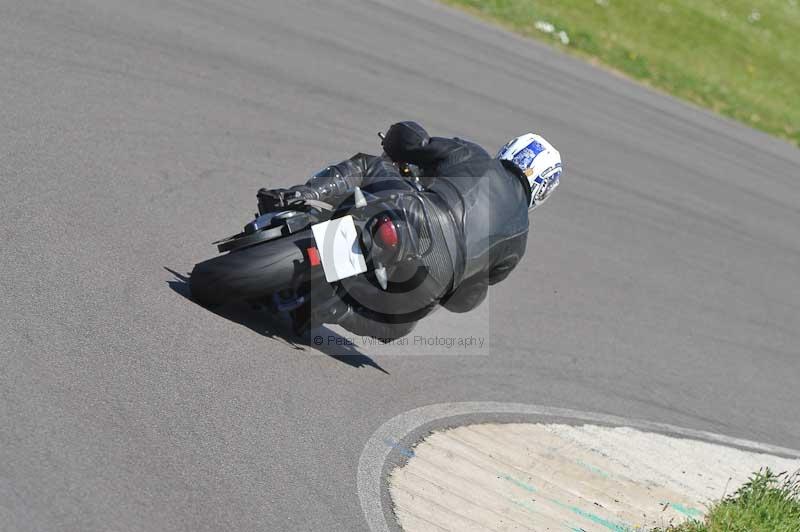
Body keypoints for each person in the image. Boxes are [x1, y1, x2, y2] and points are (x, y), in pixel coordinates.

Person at [257, 122, 562, 341]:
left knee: (368, 165)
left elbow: (415, 143)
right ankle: (331, 308)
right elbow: (464, 300)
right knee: (398, 326)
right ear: (544, 189)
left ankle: (296, 196)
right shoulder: (518, 242)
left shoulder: (475, 156)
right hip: (430, 279)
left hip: (413, 217)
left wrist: (393, 141)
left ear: (511, 150)